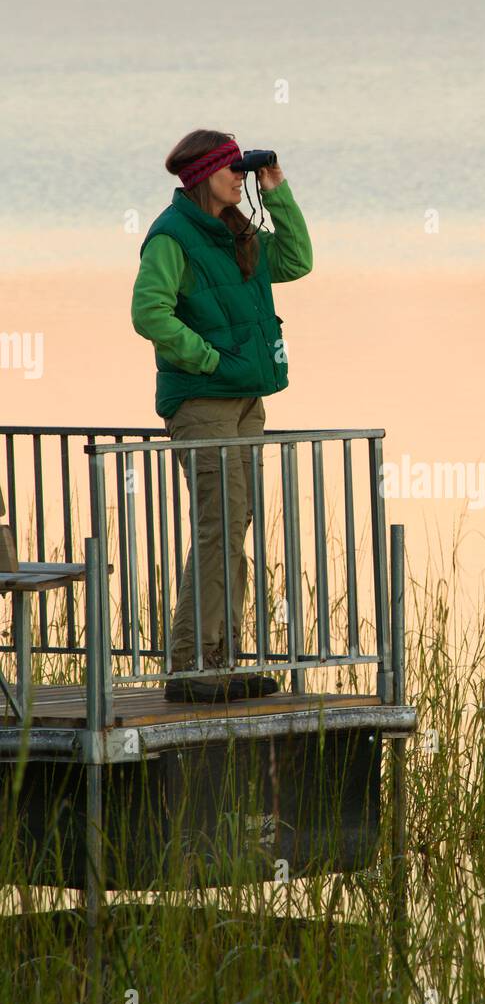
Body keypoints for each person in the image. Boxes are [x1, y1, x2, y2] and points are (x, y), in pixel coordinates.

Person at [131, 129, 313, 703]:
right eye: (234, 168)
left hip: (244, 398)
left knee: (235, 524)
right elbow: (149, 313)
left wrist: (276, 190)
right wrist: (206, 358)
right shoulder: (172, 237)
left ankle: (220, 659)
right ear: (204, 174)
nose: (242, 175)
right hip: (203, 400)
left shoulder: (239, 231)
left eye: (245, 168)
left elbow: (297, 260)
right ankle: (191, 664)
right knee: (220, 524)